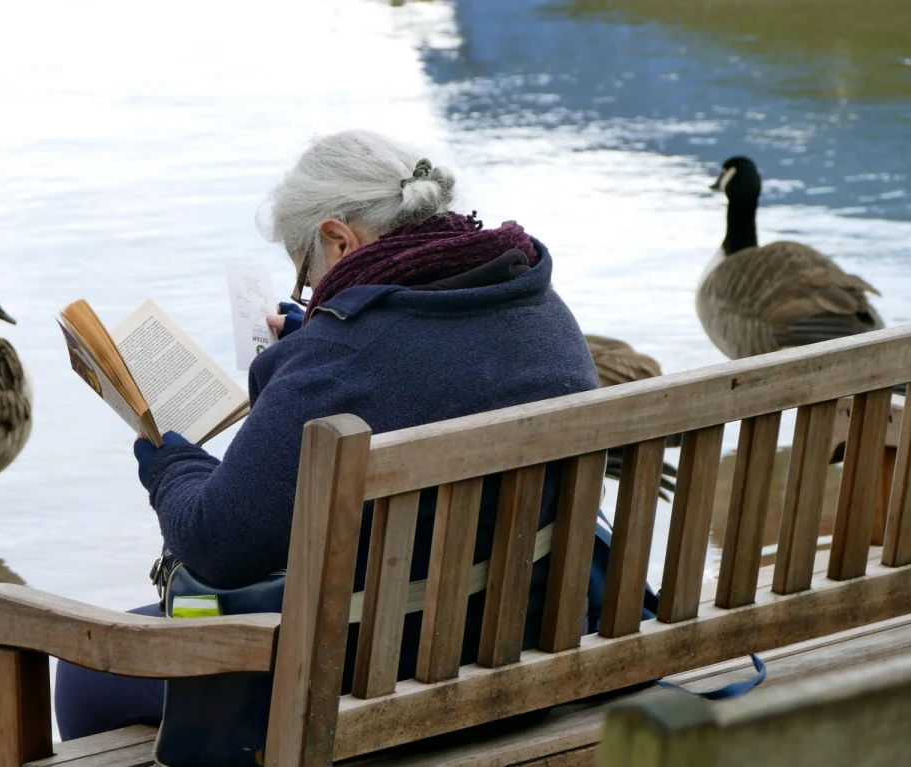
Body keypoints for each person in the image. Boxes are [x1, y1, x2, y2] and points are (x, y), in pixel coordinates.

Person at [54, 129, 605, 740]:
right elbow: (429, 364)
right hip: (536, 654)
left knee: (85, 670)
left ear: (339, 237)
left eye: (307, 275)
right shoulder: (541, 309)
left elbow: (217, 545)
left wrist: (169, 462)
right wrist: (311, 343)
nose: (313, 293)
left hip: (372, 685)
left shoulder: (337, 363)